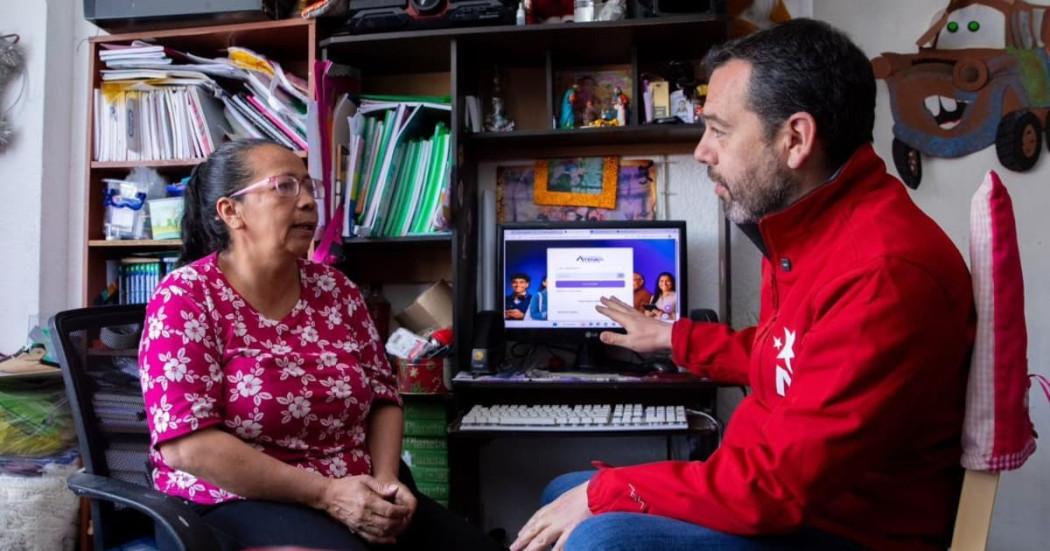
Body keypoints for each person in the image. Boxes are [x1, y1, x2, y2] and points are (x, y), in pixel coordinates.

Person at [511, 19, 974, 551]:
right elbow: (788, 355)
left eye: (720, 129)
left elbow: (778, 488)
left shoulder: (883, 272)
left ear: (795, 138)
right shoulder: (812, 226)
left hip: (839, 529)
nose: (702, 151)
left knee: (600, 535)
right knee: (561, 491)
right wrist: (671, 339)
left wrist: (608, 491)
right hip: (786, 499)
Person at [138, 139, 502, 551]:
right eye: (285, 187)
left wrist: (385, 481)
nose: (309, 202)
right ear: (231, 211)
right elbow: (188, 446)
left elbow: (383, 397)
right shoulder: (186, 296)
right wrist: (327, 494)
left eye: (310, 188)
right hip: (234, 500)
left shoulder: (336, 289)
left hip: (357, 489)